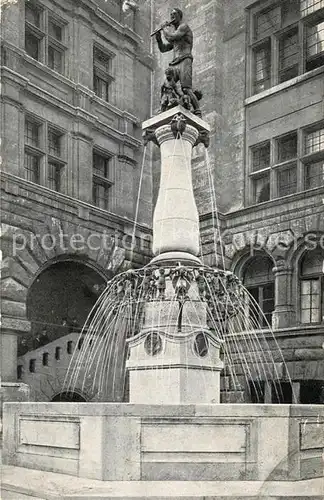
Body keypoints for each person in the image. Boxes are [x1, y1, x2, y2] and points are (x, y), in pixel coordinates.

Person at [155, 8, 201, 116]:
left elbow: (172, 37)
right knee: (166, 85)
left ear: (180, 16)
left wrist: (164, 28)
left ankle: (198, 111)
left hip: (185, 59)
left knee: (186, 88)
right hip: (175, 63)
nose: (172, 17)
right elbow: (163, 48)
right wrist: (158, 39)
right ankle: (163, 108)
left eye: (174, 14)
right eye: (170, 14)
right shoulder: (176, 33)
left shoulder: (184, 27)